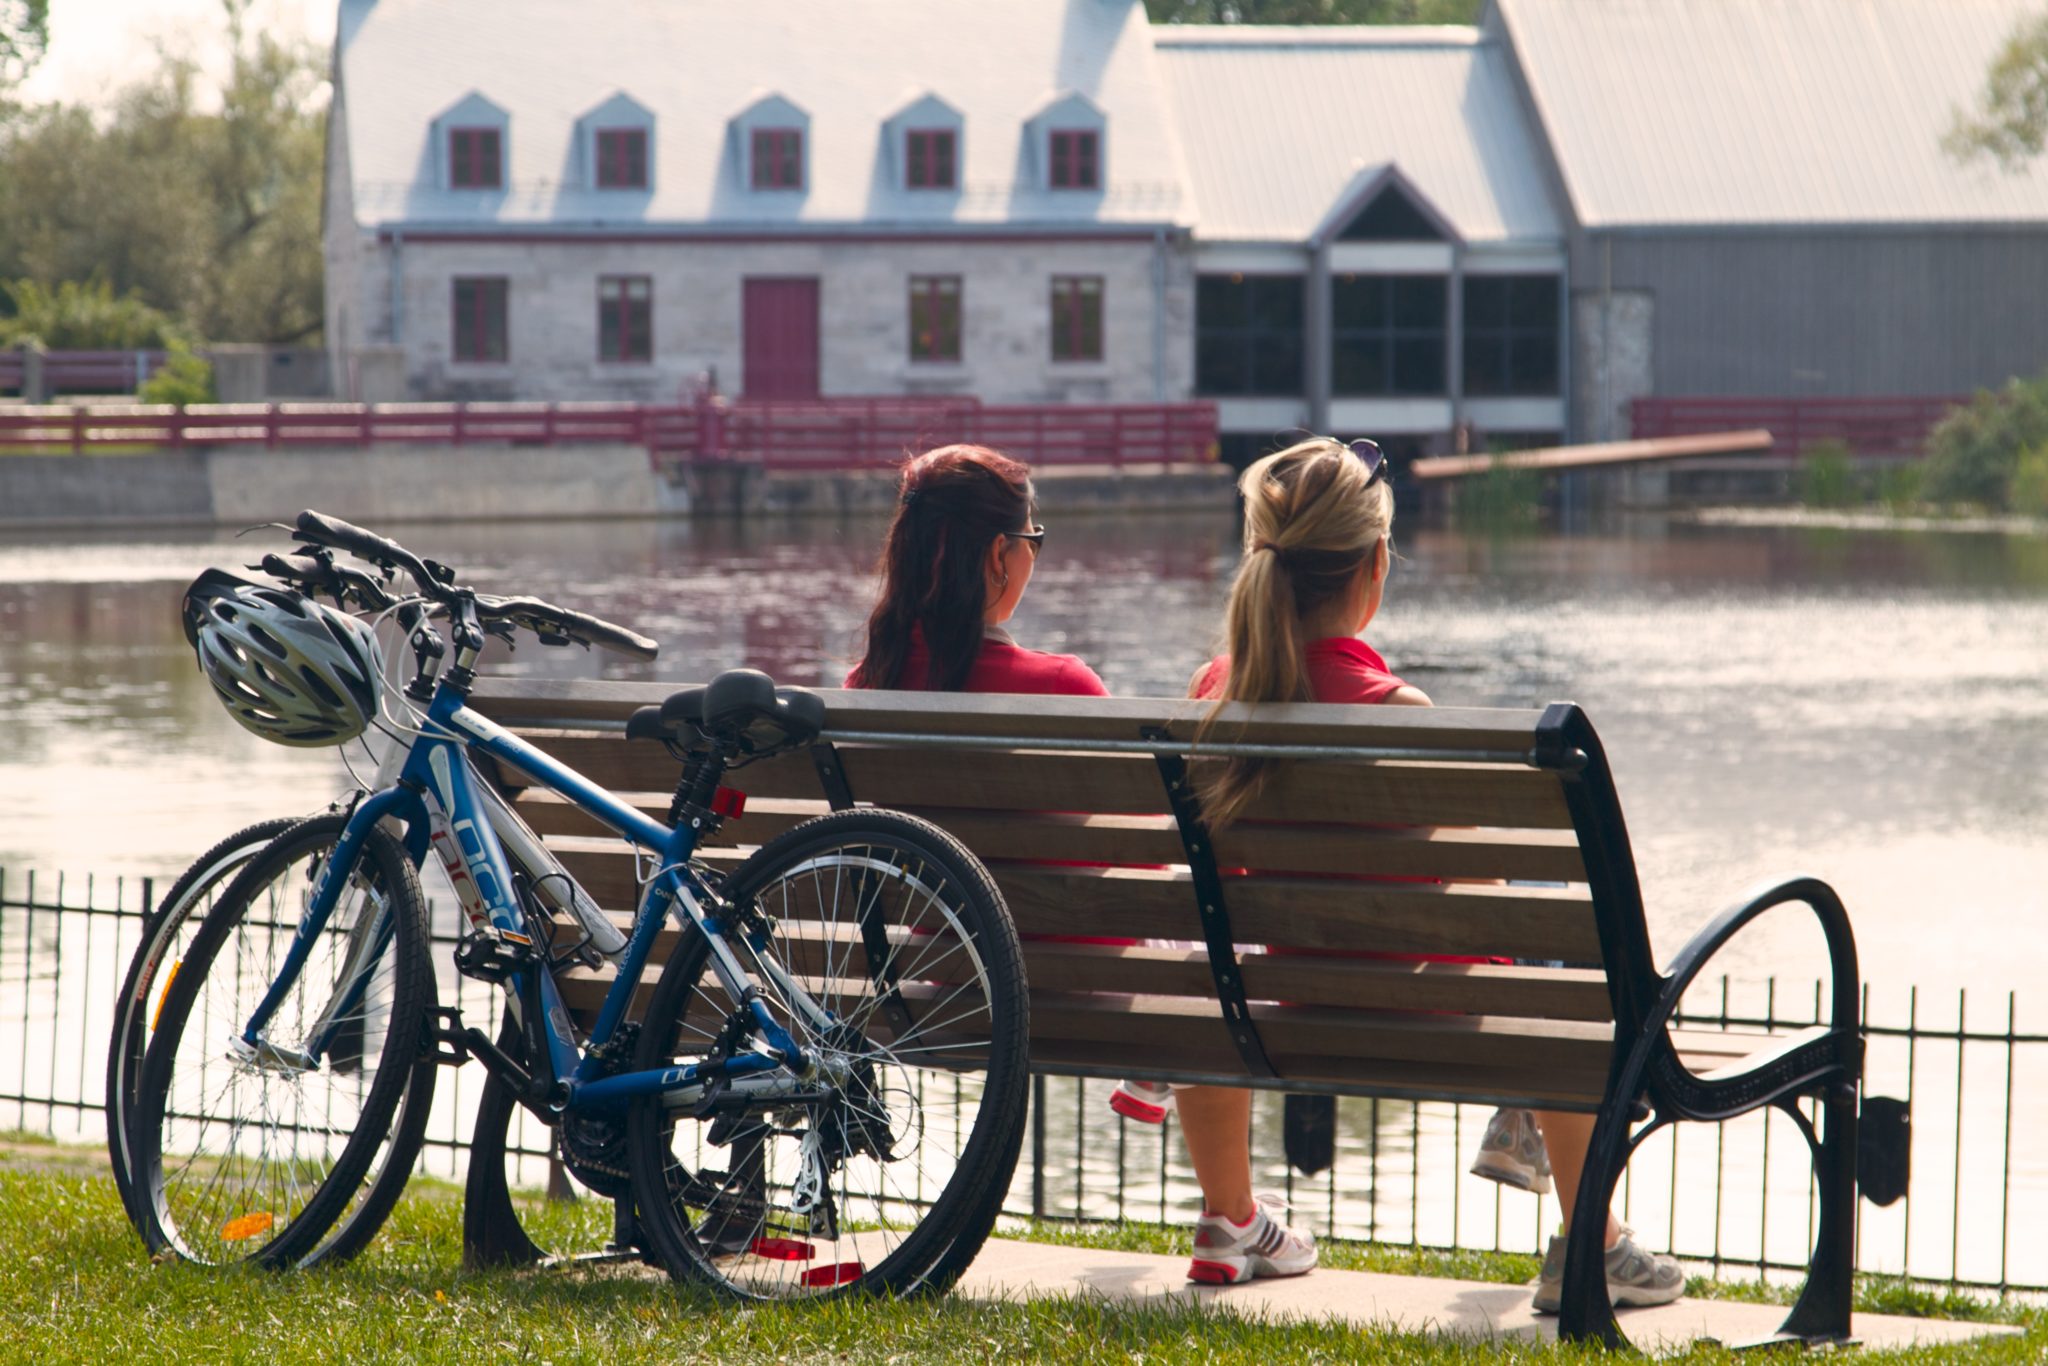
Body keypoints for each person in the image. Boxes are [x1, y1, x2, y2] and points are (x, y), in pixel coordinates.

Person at [1111, 436, 1683, 1309]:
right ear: (1375, 566)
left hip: (1263, 997)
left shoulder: (1209, 693)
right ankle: (1590, 1243)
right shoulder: (1396, 710)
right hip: (1415, 1008)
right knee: (1564, 968)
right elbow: (1472, 901)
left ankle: (1230, 1215)